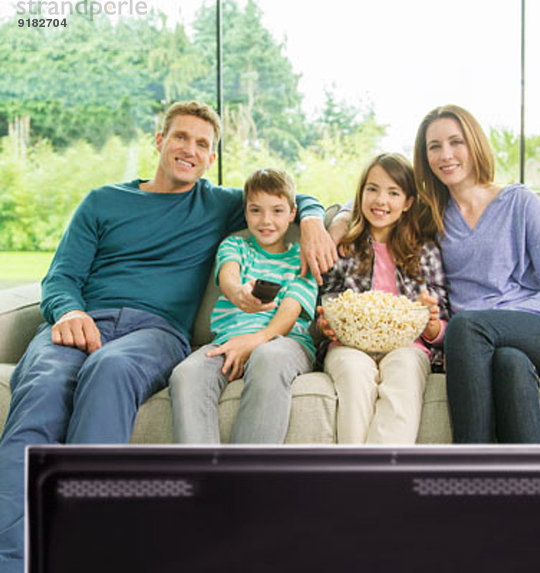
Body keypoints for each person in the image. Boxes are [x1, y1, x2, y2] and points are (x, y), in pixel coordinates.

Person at [0, 101, 337, 573]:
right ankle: (11, 561)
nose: (190, 149)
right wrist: (71, 311)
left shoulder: (218, 204)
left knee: (110, 370)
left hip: (155, 330)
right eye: (181, 137)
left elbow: (283, 199)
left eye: (202, 144)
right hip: (82, 320)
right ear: (159, 141)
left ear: (211, 158)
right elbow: (59, 277)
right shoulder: (102, 201)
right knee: (40, 394)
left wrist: (315, 219)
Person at [413, 104, 540, 444]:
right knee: (510, 365)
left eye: (455, 142)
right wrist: (330, 218)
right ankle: (536, 493)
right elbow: (371, 198)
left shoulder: (519, 202)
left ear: (474, 143)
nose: (445, 154)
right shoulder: (430, 214)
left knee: (468, 324)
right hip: (484, 347)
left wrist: (492, 322)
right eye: (434, 146)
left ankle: (469, 472)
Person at [170, 168, 318, 443]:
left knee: (267, 357)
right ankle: (205, 479)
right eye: (255, 210)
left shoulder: (303, 256)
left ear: (292, 212)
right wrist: (239, 293)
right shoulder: (235, 244)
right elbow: (228, 276)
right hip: (228, 341)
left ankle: (248, 480)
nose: (266, 221)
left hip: (283, 341)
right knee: (186, 374)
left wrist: (257, 340)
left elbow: (291, 308)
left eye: (277, 210)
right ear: (245, 211)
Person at [318, 153, 449, 444]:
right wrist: (324, 324)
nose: (381, 200)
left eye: (393, 193)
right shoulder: (343, 247)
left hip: (408, 345)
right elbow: (324, 303)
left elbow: (442, 318)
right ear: (360, 193)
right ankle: (364, 479)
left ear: (408, 203)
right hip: (349, 344)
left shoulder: (425, 251)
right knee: (354, 377)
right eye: (372, 189)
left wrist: (432, 325)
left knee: (403, 377)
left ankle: (376, 481)